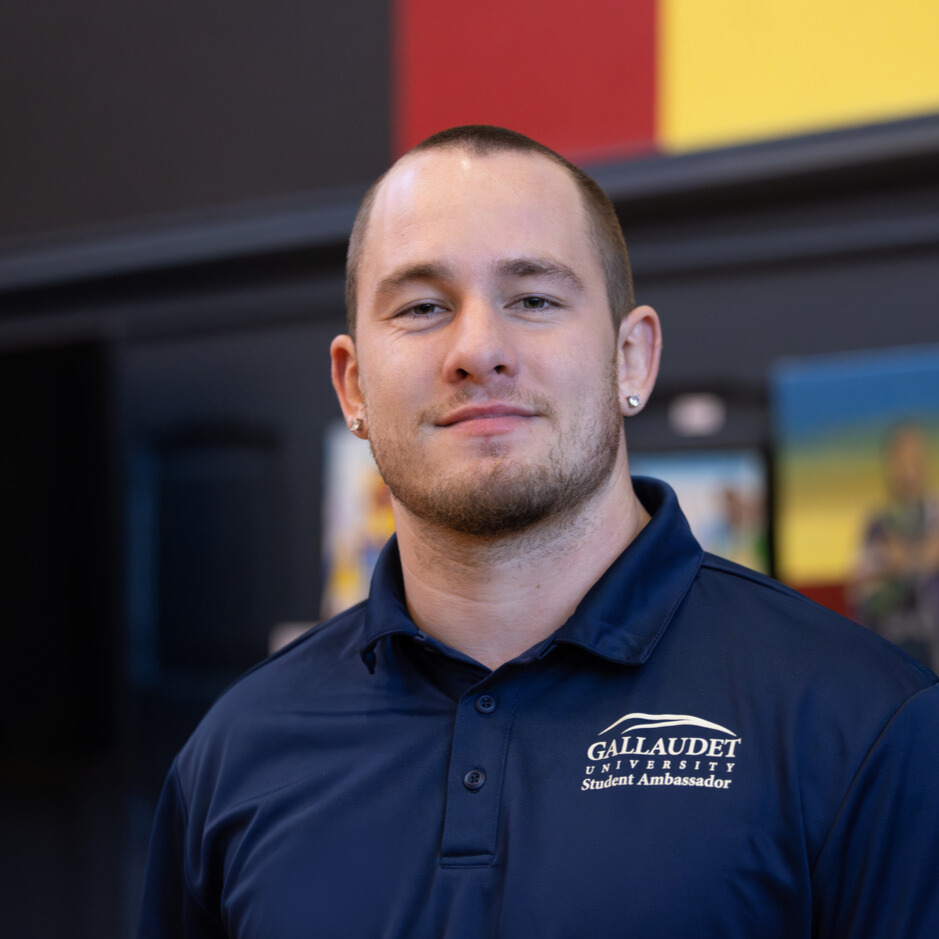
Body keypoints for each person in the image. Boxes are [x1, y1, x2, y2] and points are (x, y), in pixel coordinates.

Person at [138, 126, 939, 938]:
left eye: (533, 299)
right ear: (353, 385)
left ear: (632, 359)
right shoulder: (235, 753)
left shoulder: (860, 723)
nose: (478, 349)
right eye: (421, 307)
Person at [850, 422, 939, 670]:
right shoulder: (877, 526)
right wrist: (899, 567)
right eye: (901, 461)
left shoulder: (935, 518)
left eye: (915, 460)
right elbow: (862, 597)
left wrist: (907, 561)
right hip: (893, 654)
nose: (909, 471)